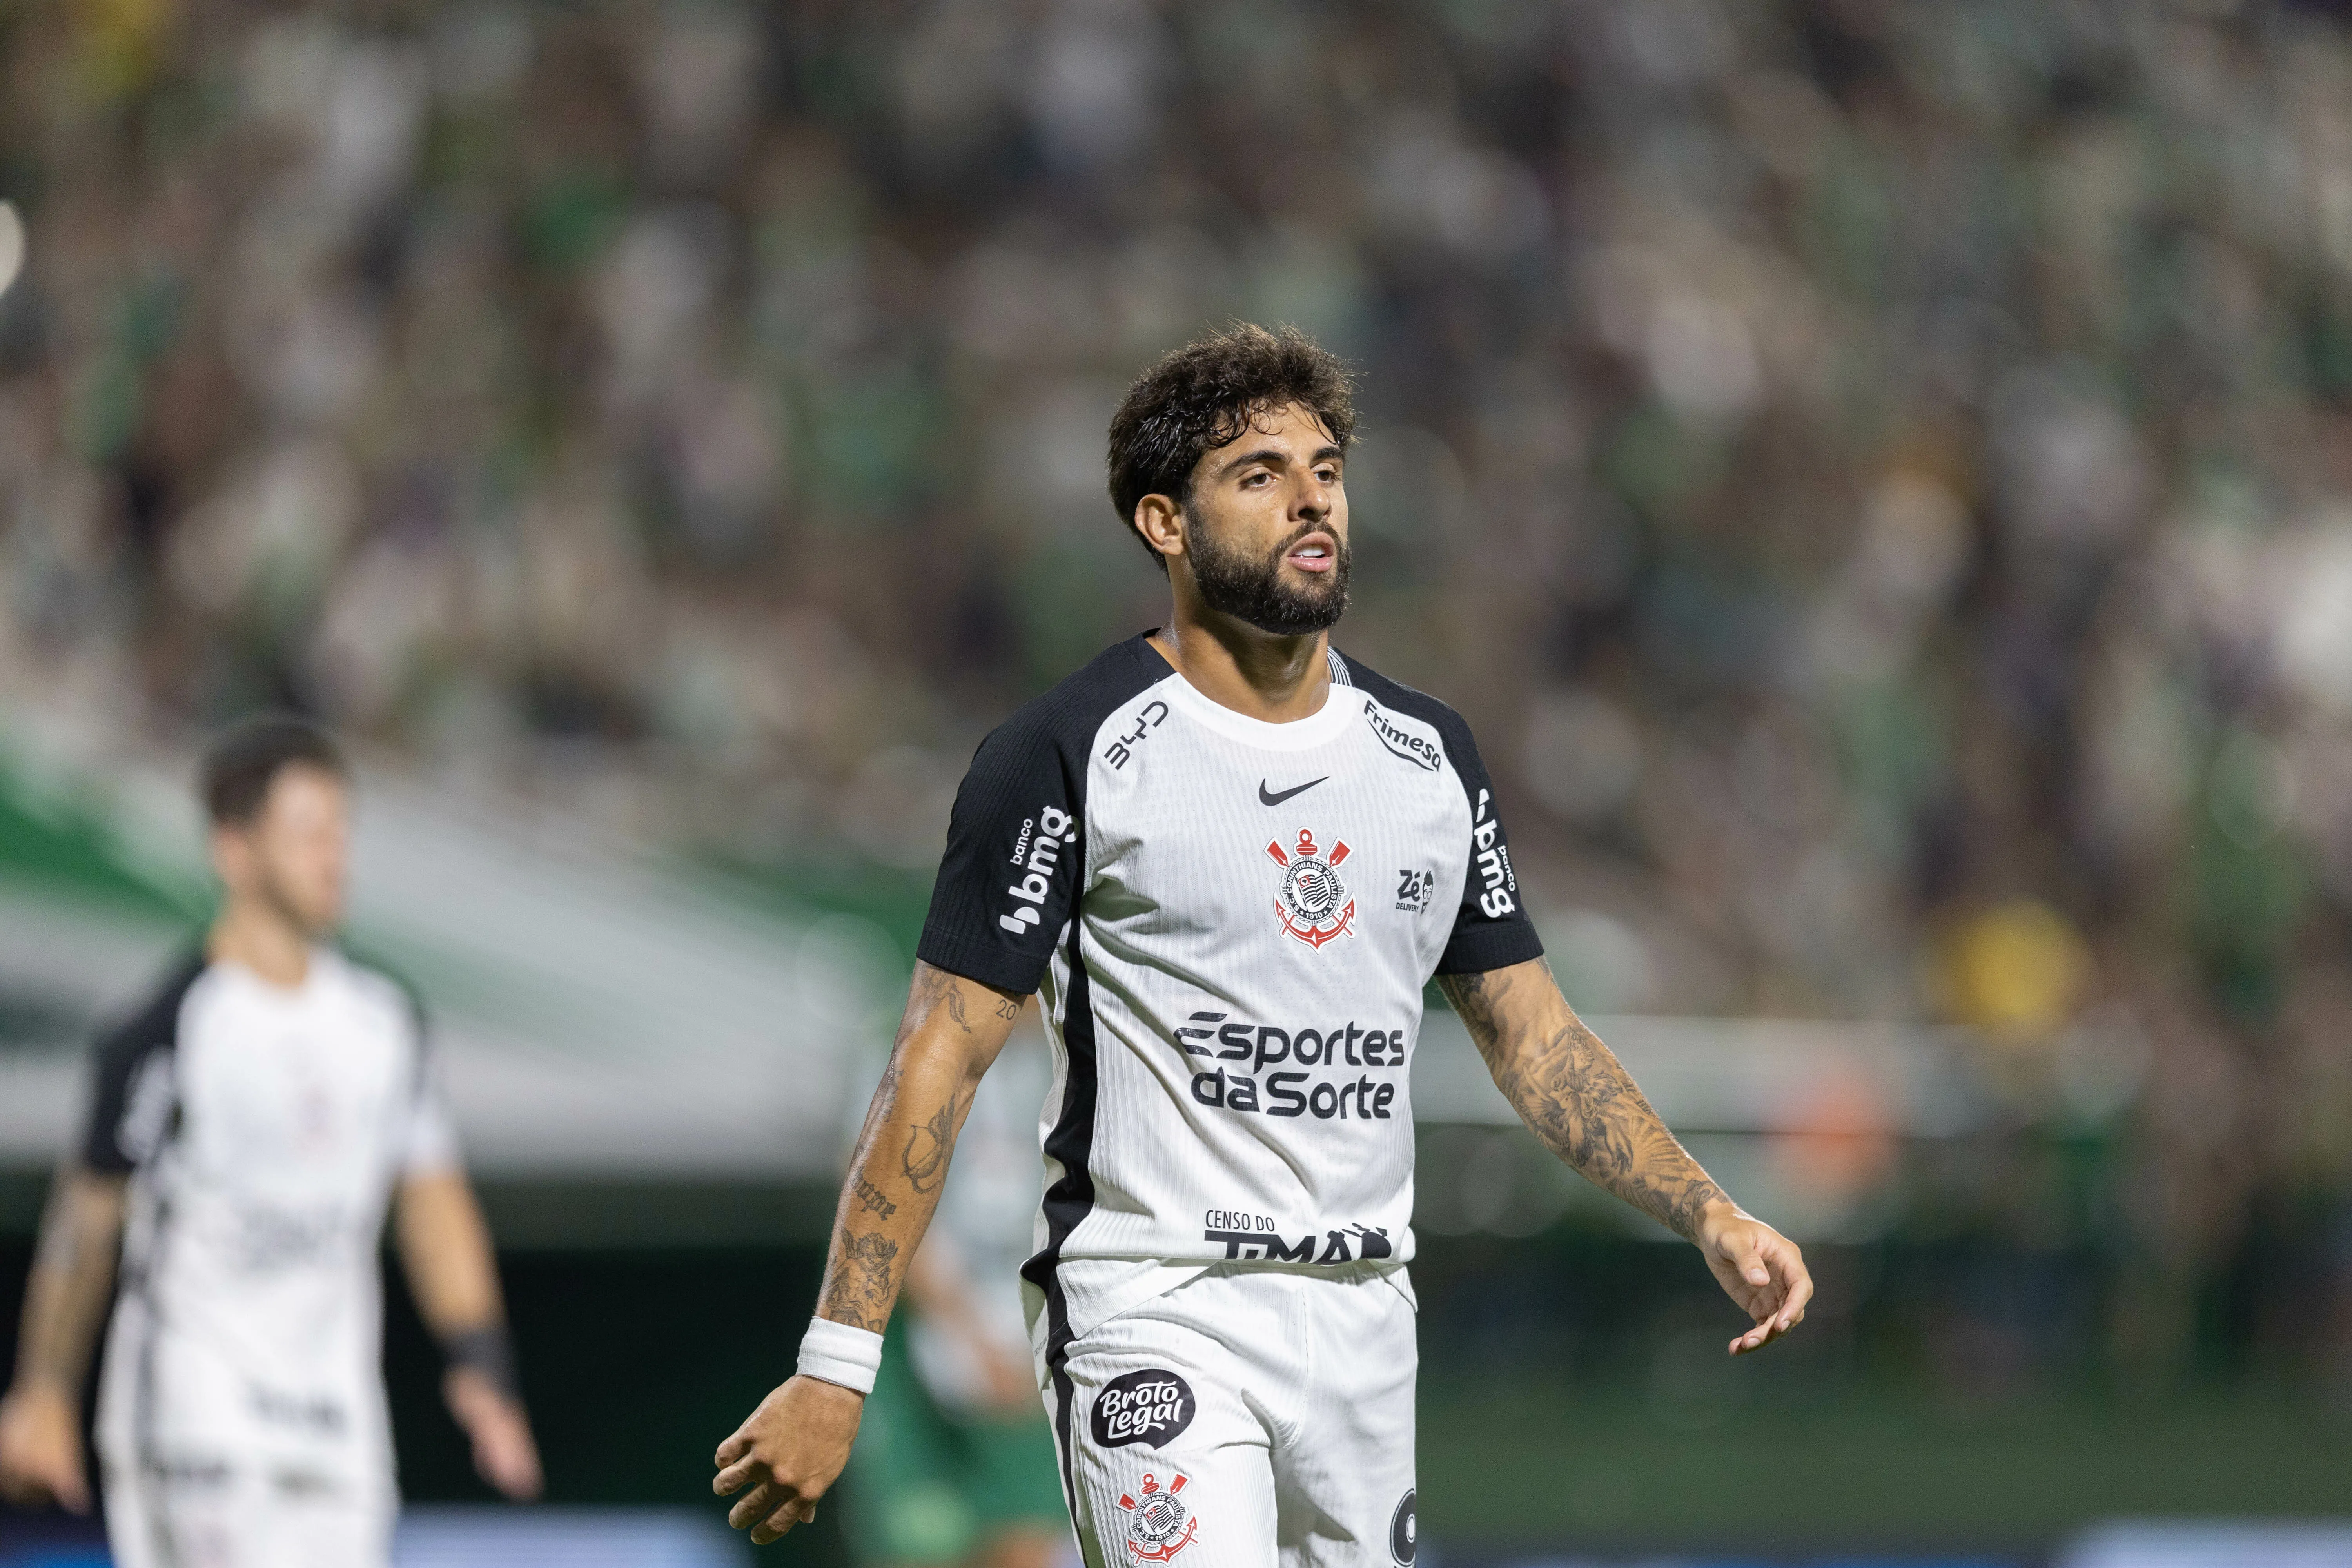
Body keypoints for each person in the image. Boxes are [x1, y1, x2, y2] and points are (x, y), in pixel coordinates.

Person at [713, 324, 1813, 1566]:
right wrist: (836, 1364)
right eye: (1260, 474)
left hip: (1361, 1321)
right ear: (1164, 525)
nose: (1312, 499)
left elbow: (1538, 1042)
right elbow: (937, 1059)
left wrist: (1711, 1213)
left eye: (1328, 468)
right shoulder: (1068, 755)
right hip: (1155, 1310)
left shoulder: (1427, 760)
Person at [0, 716, 542, 1567]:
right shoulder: (170, 1028)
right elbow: (89, 1216)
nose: (334, 854)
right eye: (307, 831)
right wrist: (43, 1390)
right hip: (200, 1422)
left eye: (342, 829)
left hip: (339, 1434)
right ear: (234, 848)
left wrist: (482, 1364)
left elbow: (434, 1202)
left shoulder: (383, 1022)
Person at [840, 1023, 1070, 1568]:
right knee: (921, 1542)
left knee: (1026, 1533)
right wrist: (968, 1336)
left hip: (1036, 1329)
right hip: (920, 1341)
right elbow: (876, 1209)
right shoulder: (912, 1051)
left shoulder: (1077, 1056)